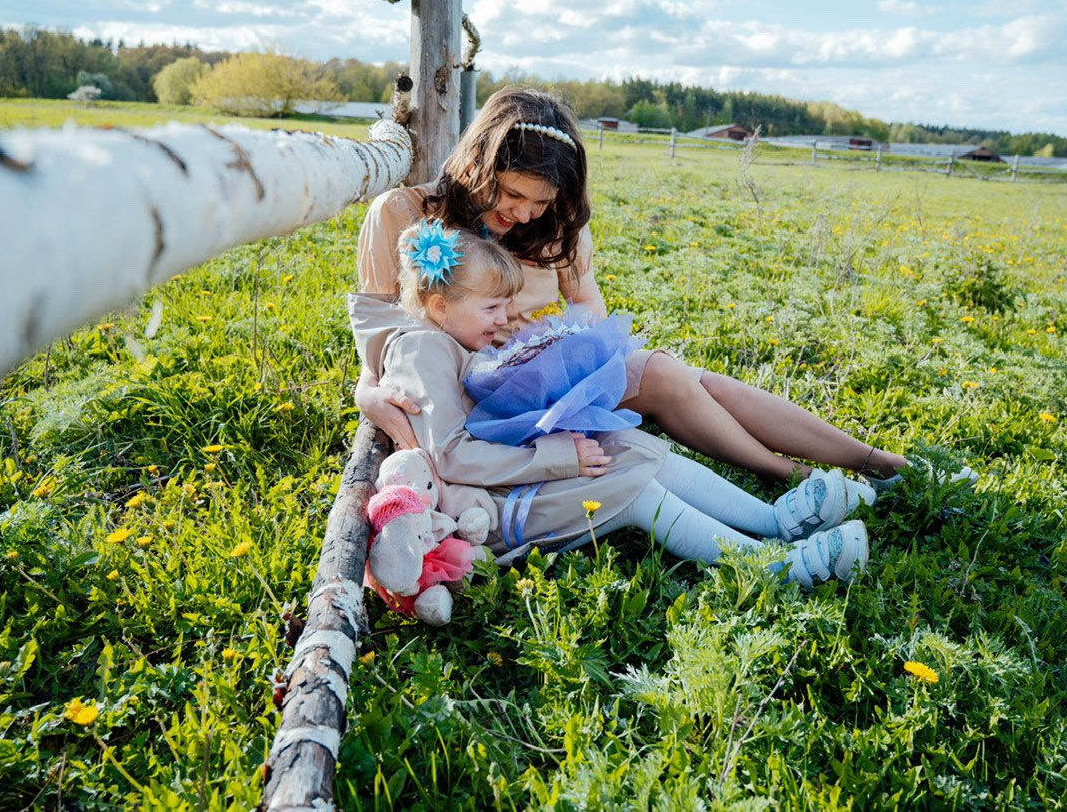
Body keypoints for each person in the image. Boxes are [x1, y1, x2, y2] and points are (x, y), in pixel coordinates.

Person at [353, 86, 975, 493]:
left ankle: (874, 460)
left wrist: (560, 349)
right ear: (476, 164)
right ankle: (793, 475)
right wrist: (366, 392)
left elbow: (587, 308)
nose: (522, 214)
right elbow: (377, 340)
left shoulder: (554, 227)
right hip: (479, 397)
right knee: (662, 373)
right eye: (511, 193)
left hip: (547, 373)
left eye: (539, 202)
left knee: (686, 377)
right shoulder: (401, 214)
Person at [352, 219, 871, 589]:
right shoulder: (422, 351)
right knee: (633, 488)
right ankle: (772, 568)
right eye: (492, 307)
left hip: (509, 478)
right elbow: (450, 456)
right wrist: (558, 456)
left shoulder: (449, 340)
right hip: (490, 511)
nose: (504, 319)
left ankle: (774, 522)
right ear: (440, 306)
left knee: (629, 443)